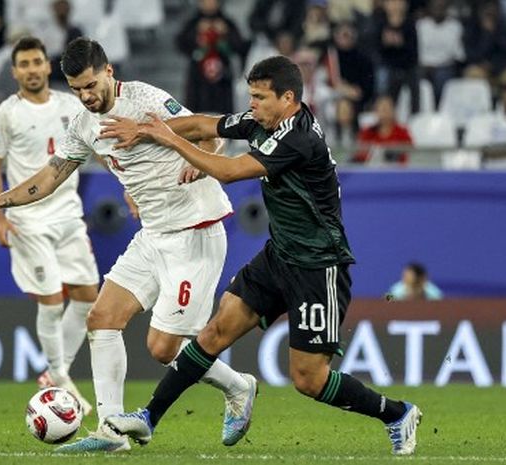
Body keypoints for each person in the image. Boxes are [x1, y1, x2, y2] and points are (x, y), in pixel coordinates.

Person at [101, 55, 422, 456]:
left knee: (309, 379)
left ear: (287, 98)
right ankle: (148, 418)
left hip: (317, 265)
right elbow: (205, 124)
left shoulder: (299, 139)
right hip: (279, 255)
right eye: (250, 96)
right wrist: (147, 128)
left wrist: (166, 139)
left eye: (259, 97)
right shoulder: (264, 120)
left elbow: (231, 171)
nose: (251, 104)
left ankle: (396, 413)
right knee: (214, 332)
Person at [0, 37, 255, 453]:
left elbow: (207, 130)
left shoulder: (144, 99)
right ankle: (110, 431)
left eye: (90, 85)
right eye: (77, 88)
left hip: (195, 228)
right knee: (102, 318)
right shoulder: (84, 125)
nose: (85, 96)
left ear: (108, 73)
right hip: (153, 235)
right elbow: (49, 177)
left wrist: (199, 160)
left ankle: (239, 387)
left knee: (162, 348)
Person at [0, 36, 100, 414]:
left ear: (47, 66)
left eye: (37, 62)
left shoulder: (71, 105)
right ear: (14, 71)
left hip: (68, 214)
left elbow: (97, 145)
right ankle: (57, 373)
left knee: (87, 298)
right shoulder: (4, 115)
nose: (32, 69)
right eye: (24, 64)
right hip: (28, 220)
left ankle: (56, 371)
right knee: (51, 299)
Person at [354, 94, 412, 164]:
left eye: (387, 109)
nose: (385, 112)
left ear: (393, 111)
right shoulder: (367, 132)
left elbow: (410, 153)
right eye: (382, 109)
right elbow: (360, 155)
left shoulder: (402, 132)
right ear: (376, 111)